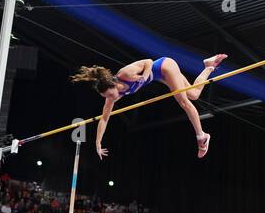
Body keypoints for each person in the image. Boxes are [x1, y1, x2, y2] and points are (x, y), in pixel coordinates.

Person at [71, 53, 228, 161]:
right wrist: (98, 143)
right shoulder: (112, 97)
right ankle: (208, 66)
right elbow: (104, 119)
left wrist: (145, 76)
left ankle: (202, 136)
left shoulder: (125, 73)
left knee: (184, 102)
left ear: (113, 84)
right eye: (107, 98)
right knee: (193, 94)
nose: (111, 99)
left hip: (164, 66)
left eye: (110, 95)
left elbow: (148, 61)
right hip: (160, 76)